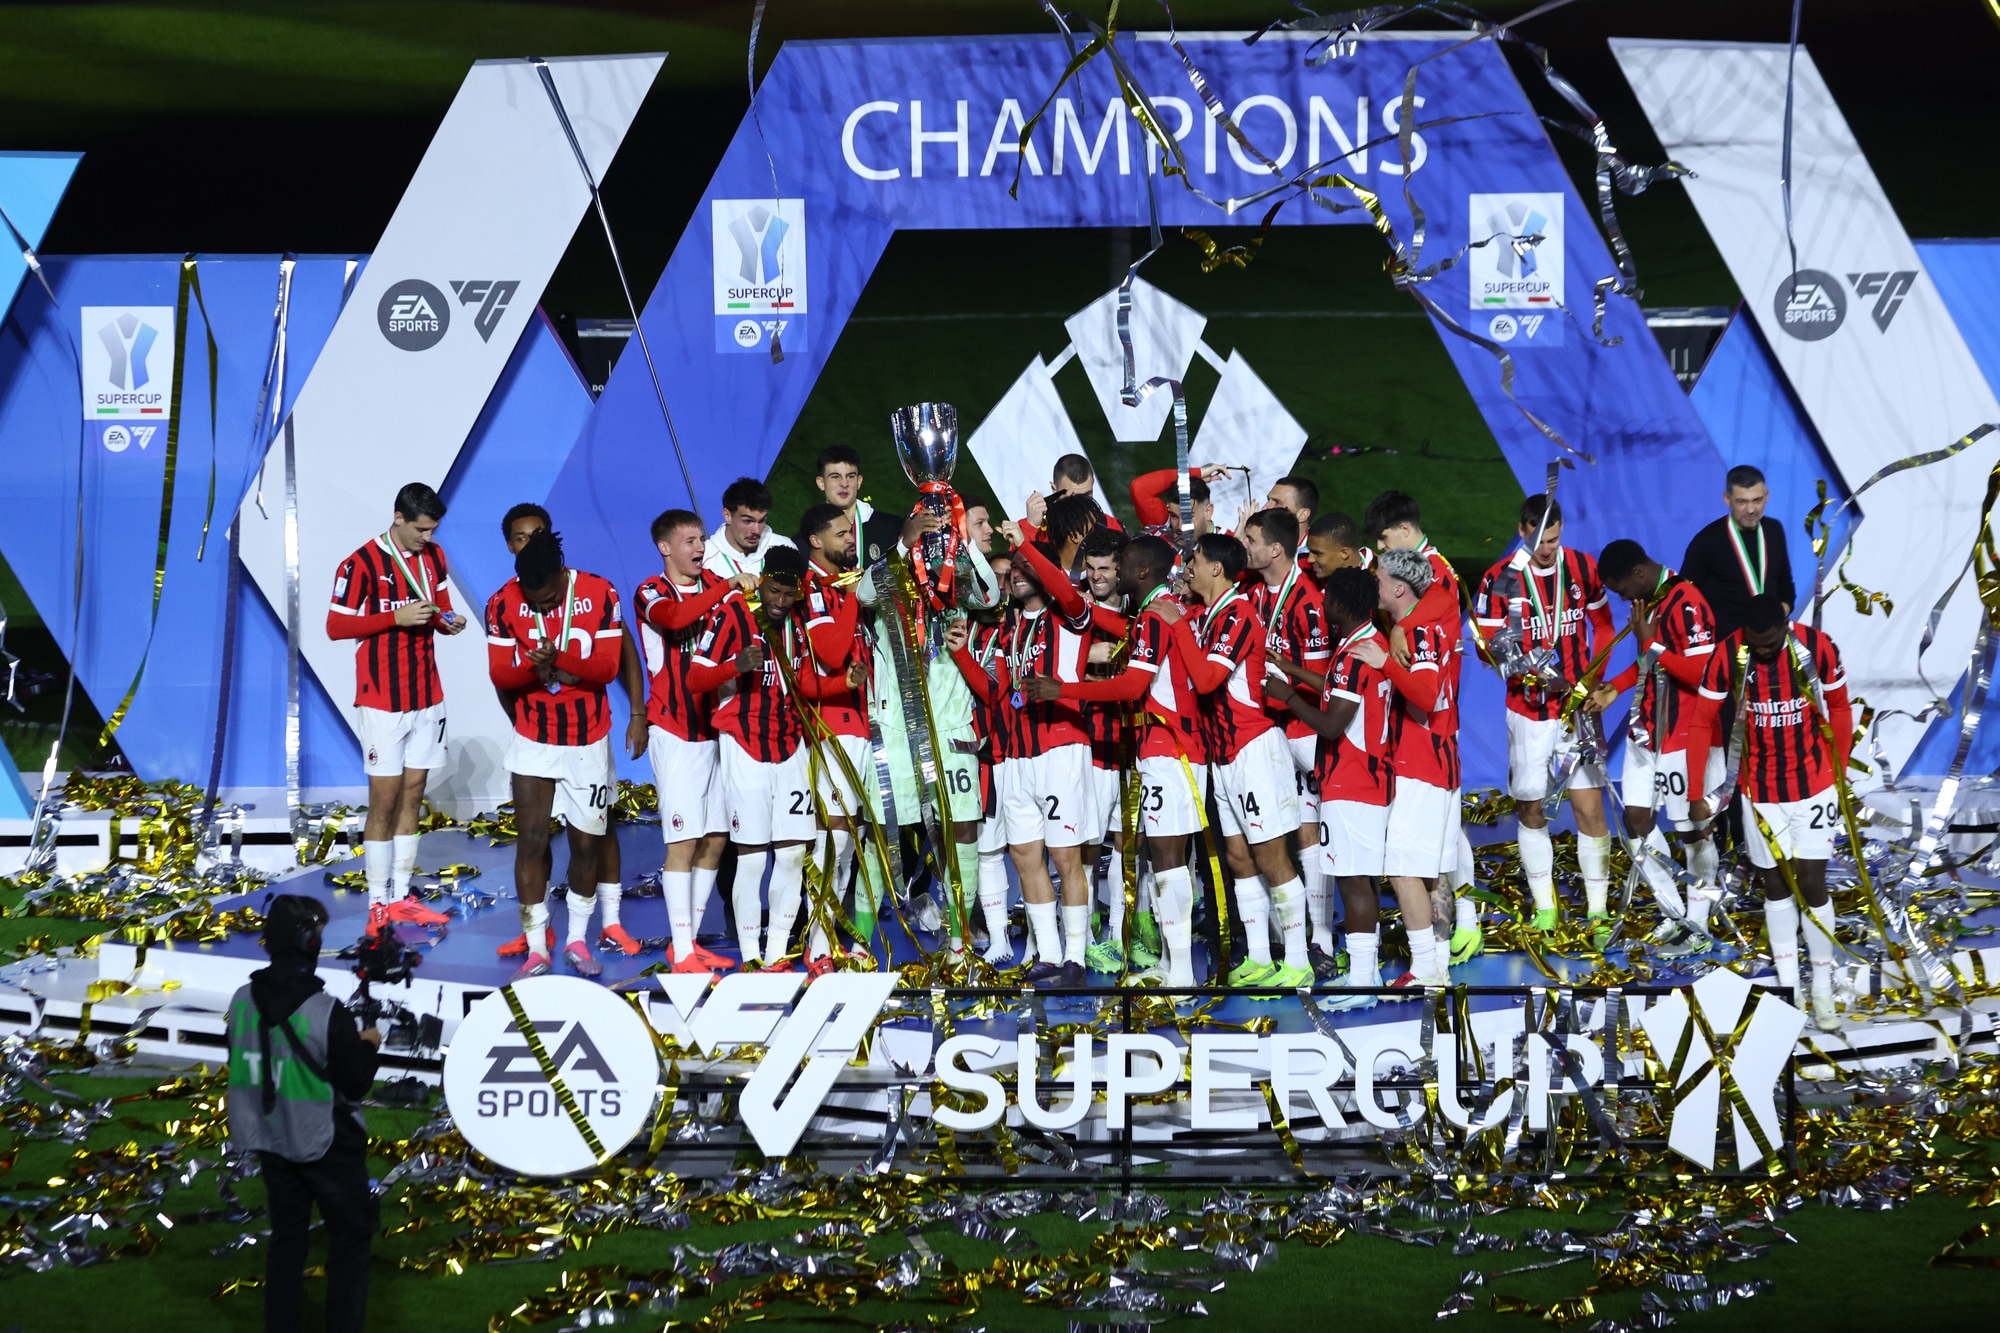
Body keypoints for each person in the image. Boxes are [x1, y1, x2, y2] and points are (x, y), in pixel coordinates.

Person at [1027, 535, 1201, 984]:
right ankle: (1172, 965)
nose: (1113, 573)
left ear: (1140, 571)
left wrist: (1062, 688)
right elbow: (1086, 611)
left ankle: (1181, 973)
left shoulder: (1156, 616)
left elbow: (1131, 686)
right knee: (1163, 859)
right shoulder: (1152, 613)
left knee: (1167, 860)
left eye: (1121, 566)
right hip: (1161, 747)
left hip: (1171, 748)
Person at [1685, 593, 1849, 1031]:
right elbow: (1701, 721)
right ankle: (1790, 989)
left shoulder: (1817, 646)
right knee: (1775, 885)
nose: (1762, 650)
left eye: (1770, 643)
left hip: (1814, 786)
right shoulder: (1727, 655)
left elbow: (1839, 707)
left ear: (1784, 625)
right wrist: (1697, 790)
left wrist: (1840, 771)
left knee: (1811, 881)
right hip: (1759, 791)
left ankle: (1822, 989)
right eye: (1754, 644)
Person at [226, 894, 381, 1333]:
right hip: (328, 1143)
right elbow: (356, 1083)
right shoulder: (325, 1010)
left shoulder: (241, 1000)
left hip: (271, 1140)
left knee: (287, 1241)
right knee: (350, 1244)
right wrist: (369, 1045)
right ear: (309, 942)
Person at [494, 505, 639, 961]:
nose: (541, 607)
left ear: (561, 571)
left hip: (588, 739)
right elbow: (500, 675)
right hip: (534, 737)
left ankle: (583, 934)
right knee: (532, 838)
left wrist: (560, 662)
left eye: (548, 600)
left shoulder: (599, 591)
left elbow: (609, 666)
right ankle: (537, 944)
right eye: (533, 601)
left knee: (589, 839)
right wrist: (530, 671)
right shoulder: (502, 601)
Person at [1168, 533, 1312, 989]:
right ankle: (1259, 957)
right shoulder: (1206, 615)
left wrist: (1177, 626)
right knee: (1237, 857)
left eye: (1194, 560)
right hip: (1223, 756)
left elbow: (1208, 679)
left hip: (1253, 750)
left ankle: (1298, 960)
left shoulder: (1239, 615)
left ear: (1216, 568)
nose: (1188, 568)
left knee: (1271, 857)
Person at [1472, 496, 1617, 947]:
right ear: (1522, 530)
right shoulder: (1500, 580)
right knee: (1531, 809)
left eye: (1554, 540)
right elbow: (1484, 648)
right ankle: (1545, 908)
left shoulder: (1583, 568)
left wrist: (1596, 679)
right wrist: (1514, 660)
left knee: (1589, 808)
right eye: (1539, 541)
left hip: (1577, 710)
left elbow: (1604, 626)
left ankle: (1597, 910)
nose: (1547, 549)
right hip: (1528, 712)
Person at [325, 482, 465, 934]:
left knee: (413, 793)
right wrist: (394, 618)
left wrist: (449, 621)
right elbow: (335, 627)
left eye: (433, 529)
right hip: (382, 698)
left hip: (427, 694)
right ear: (398, 518)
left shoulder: (435, 557)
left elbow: (440, 609)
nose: (428, 537)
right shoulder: (360, 563)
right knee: (384, 799)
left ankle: (402, 895)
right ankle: (377, 903)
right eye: (421, 529)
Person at [687, 546, 836, 970]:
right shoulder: (733, 613)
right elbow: (695, 678)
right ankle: (751, 955)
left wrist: (842, 683)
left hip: (790, 748)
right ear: (763, 580)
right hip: (744, 746)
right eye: (774, 591)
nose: (780, 602)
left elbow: (803, 682)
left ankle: (776, 954)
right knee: (751, 859)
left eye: (789, 595)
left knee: (791, 856)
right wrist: (733, 667)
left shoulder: (798, 621)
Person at [634, 508, 755, 973]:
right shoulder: (652, 591)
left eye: (702, 539)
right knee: (683, 841)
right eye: (690, 541)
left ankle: (689, 942)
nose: (701, 548)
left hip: (719, 729)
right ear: (665, 547)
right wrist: (727, 588)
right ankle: (682, 951)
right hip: (675, 730)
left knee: (718, 837)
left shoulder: (718, 586)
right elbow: (677, 617)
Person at [1266, 567, 1393, 1009]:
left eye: (1327, 596)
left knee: (1354, 884)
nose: (1321, 602)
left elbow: (1332, 723)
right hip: (1368, 778)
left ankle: (1360, 983)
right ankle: (1368, 973)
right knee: (1363, 882)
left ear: (1340, 603)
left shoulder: (1353, 655)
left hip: (1351, 782)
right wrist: (1294, 670)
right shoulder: (1368, 644)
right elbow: (1340, 691)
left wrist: (1286, 696)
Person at [1590, 539, 1721, 955]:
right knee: (1635, 821)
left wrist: (1652, 644)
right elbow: (1650, 664)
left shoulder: (1688, 602)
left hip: (1683, 736)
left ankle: (1698, 925)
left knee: (1693, 833)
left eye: (1621, 590)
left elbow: (1703, 673)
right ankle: (1674, 911)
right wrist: (1615, 687)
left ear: (1639, 574)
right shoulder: (1651, 600)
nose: (1622, 598)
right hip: (1646, 732)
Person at [1349, 547, 1459, 991]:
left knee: (1401, 867)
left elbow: (1427, 695)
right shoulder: (1418, 625)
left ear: (1398, 588)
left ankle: (1427, 967)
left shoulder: (1421, 631)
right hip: (1432, 760)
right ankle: (1438, 963)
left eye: (1378, 578)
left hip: (1423, 763)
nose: (1372, 583)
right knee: (1429, 868)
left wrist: (1385, 665)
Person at [996, 532, 1100, 984]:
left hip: (1061, 748)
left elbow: (1061, 585)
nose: (1017, 574)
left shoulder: (1071, 614)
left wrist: (1027, 542)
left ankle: (1076, 956)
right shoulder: (1009, 629)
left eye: (1026, 566)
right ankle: (1051, 955)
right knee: (1024, 854)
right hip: (1018, 753)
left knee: (1065, 855)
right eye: (1014, 568)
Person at [1243, 508, 1338, 974]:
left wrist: (1281, 683)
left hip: (1305, 729)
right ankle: (1301, 935)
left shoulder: (1307, 601)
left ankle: (1323, 937)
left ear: (1276, 549)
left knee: (1315, 832)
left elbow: (1321, 679)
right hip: (1272, 726)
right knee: (1294, 829)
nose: (1245, 548)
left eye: (1252, 541)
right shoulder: (1256, 592)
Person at [797, 502, 878, 963]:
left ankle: (828, 936)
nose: (851, 540)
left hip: (861, 723)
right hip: (831, 726)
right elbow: (829, 652)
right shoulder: (813, 587)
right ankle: (817, 944)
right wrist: (851, 595)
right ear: (816, 541)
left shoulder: (841, 585)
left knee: (852, 840)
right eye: (842, 534)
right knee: (833, 838)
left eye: (852, 533)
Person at [1681, 464, 1796, 639]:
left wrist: (1780, 611)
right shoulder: (1706, 541)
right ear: (1727, 499)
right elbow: (1684, 598)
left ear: (1767, 495)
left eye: (1757, 500)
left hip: (1771, 642)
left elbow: (1785, 584)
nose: (1751, 510)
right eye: (1742, 502)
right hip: (1726, 645)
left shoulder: (1774, 530)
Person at [812, 444, 905, 567]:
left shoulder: (890, 528)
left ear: (859, 481)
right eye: (835, 477)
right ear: (821, 483)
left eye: (850, 476)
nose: (844, 484)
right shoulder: (807, 541)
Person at [704, 476, 797, 582]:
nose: (756, 531)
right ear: (727, 516)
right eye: (747, 521)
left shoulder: (786, 548)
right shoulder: (704, 558)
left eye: (761, 521)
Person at [1131, 465, 1224, 540]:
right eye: (1173, 516)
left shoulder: (1227, 547)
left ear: (1208, 512)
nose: (1180, 527)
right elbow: (1139, 488)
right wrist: (1199, 472)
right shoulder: (1164, 530)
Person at [1305, 511, 1370, 580]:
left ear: (1344, 553)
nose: (1309, 560)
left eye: (1317, 553)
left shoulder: (1376, 578)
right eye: (1309, 551)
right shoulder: (1304, 572)